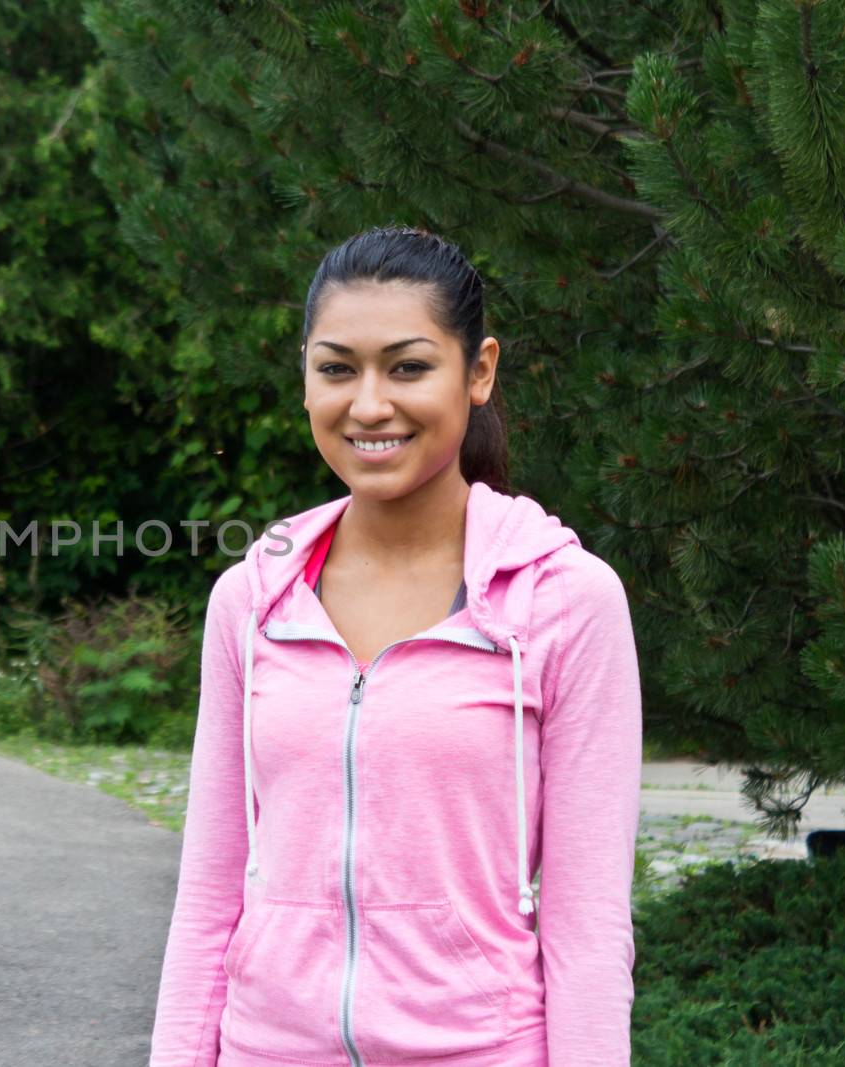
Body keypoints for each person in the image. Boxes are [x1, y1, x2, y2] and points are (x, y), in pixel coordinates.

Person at [148, 225, 643, 1066]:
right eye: (337, 368)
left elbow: (588, 925)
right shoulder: (252, 602)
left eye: (408, 366)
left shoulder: (565, 602)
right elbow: (208, 895)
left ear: (478, 371)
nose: (369, 404)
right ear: (305, 376)